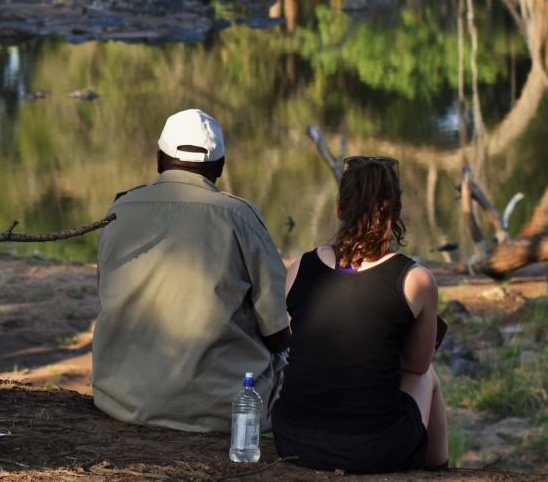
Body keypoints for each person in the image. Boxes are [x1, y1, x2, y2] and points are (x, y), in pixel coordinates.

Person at [92, 109, 290, 432]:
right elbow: (279, 329)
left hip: (120, 402)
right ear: (220, 167)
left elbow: (105, 293)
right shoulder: (239, 216)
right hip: (222, 412)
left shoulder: (119, 211)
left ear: (159, 159)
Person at [272, 155, 448, 473]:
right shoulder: (416, 279)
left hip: (292, 439)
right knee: (427, 378)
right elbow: (417, 365)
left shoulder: (300, 266)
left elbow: (302, 346)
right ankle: (438, 466)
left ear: (340, 209)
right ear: (396, 213)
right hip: (370, 449)